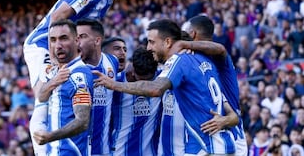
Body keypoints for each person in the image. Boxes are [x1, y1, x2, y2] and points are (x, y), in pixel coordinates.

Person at [22, 0, 138, 155]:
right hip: (42, 44)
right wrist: (56, 58)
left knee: (61, 95)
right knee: (44, 96)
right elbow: (58, 17)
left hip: (63, 47)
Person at [93, 19, 238, 155]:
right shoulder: (202, 65)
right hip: (209, 147)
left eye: (151, 42)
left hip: (201, 148)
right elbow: (220, 50)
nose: (149, 48)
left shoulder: (179, 63)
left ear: (168, 42)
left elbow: (155, 89)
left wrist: (113, 84)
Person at [174, 15, 249, 156]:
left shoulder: (216, 55)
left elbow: (220, 48)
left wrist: (186, 45)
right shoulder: (196, 57)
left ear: (193, 33)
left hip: (231, 131)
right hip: (213, 134)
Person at [32, 19, 94, 156]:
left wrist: (50, 137)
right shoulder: (57, 72)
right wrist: (54, 82)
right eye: (53, 40)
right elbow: (41, 96)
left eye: (63, 38)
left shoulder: (79, 75)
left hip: (70, 151)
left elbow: (82, 122)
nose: (58, 45)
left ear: (77, 41)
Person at [103, 39, 161, 156]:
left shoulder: (161, 79)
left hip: (151, 152)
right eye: (142, 80)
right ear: (133, 71)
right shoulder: (115, 82)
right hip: (119, 151)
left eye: (149, 80)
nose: (145, 87)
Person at [76, 19, 119, 156]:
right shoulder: (73, 69)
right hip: (79, 149)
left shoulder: (112, 62)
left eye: (82, 36)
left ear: (97, 41)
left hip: (104, 149)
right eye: (76, 38)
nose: (78, 42)